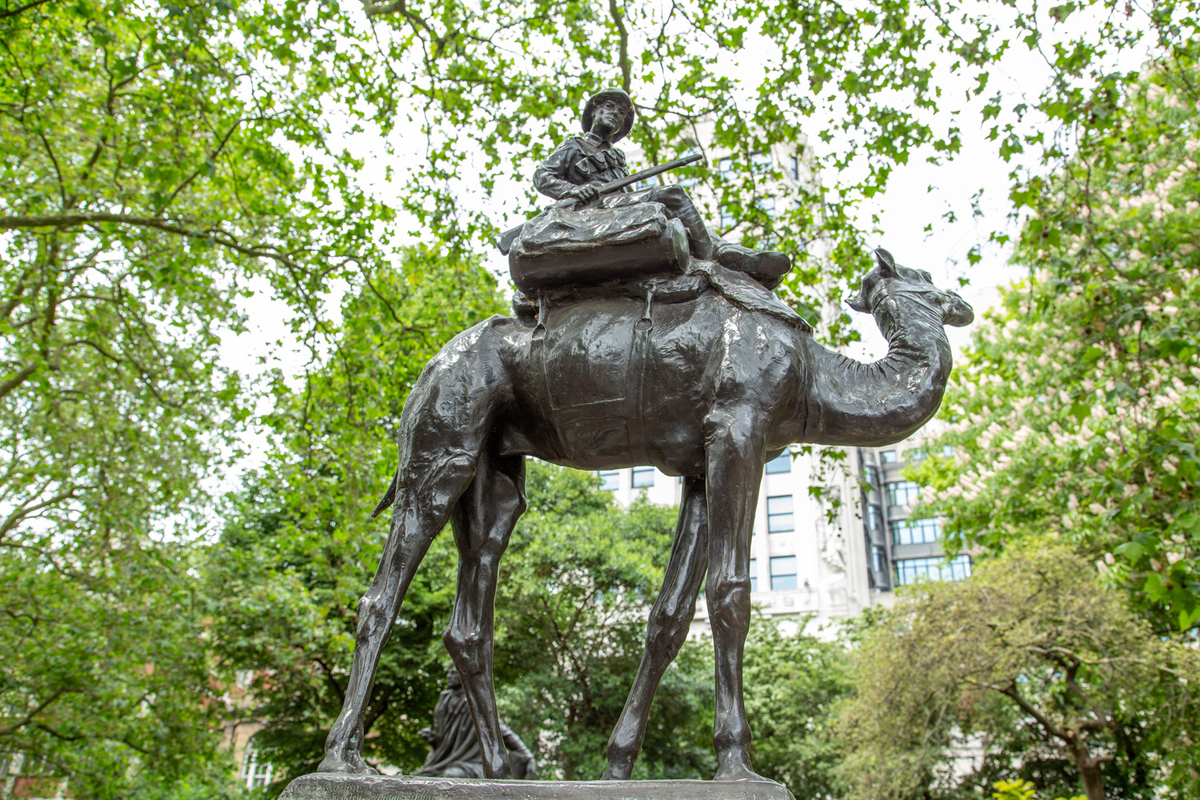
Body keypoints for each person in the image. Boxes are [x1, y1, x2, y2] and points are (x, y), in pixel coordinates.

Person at [531, 87, 791, 289]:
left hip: (621, 207)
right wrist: (572, 191)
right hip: (595, 210)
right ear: (595, 112)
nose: (615, 114)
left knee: (683, 218)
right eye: (610, 107)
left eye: (622, 114)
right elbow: (542, 177)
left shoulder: (618, 156)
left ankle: (739, 257)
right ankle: (713, 254)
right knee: (672, 194)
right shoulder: (574, 145)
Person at [414, 665, 537, 780]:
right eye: (448, 673)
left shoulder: (476, 701)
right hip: (443, 761)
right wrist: (432, 738)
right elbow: (442, 742)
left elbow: (500, 730)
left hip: (471, 762)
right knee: (419, 778)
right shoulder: (444, 700)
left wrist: (526, 754)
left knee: (451, 775)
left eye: (452, 673)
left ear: (463, 674)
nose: (448, 676)